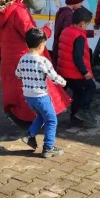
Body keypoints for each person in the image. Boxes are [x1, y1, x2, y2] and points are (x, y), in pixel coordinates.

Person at [0, 0, 72, 128]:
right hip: (26, 59)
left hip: (8, 61)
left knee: (16, 93)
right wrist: (47, 30)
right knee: (36, 92)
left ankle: (21, 120)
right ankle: (33, 126)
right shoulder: (19, 12)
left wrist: (0, 54)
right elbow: (32, 36)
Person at [15, 28, 67, 158]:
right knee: (51, 120)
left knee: (42, 116)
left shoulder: (23, 59)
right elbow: (54, 77)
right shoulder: (43, 61)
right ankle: (48, 148)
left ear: (27, 44)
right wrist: (63, 82)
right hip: (41, 97)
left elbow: (17, 74)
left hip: (28, 97)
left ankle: (30, 135)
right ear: (41, 45)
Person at [56, 7, 98, 128]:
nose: (86, 27)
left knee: (78, 92)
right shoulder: (79, 36)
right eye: (87, 24)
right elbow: (78, 57)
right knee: (90, 87)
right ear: (82, 23)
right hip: (74, 72)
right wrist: (85, 72)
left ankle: (75, 118)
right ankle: (83, 111)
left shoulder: (66, 30)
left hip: (63, 71)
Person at [51, 0, 95, 65]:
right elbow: (70, 34)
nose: (81, 4)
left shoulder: (61, 12)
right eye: (81, 2)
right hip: (64, 50)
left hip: (57, 48)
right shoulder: (69, 15)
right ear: (75, 2)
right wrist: (90, 33)